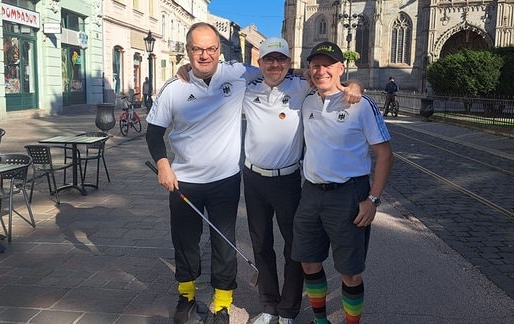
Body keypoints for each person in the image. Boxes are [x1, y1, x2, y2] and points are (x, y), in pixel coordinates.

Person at [145, 22, 262, 324]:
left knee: (224, 244)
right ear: (188, 51)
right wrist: (162, 164)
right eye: (198, 49)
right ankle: (186, 295)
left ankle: (222, 302)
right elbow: (154, 133)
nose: (205, 54)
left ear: (219, 50)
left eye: (211, 48)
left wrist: (349, 85)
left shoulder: (236, 75)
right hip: (184, 181)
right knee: (185, 242)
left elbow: (279, 71)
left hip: (224, 180)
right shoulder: (174, 88)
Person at [244, 38, 362, 324]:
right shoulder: (246, 89)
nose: (275, 65)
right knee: (261, 246)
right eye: (269, 59)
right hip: (253, 179)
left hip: (287, 181)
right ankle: (269, 305)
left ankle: (288, 309)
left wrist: (354, 85)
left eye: (281, 59)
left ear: (289, 63)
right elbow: (216, 76)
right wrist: (187, 68)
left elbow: (334, 83)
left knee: (294, 248)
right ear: (260, 63)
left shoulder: (301, 87)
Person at [291, 41, 394, 324]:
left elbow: (385, 154)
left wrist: (373, 199)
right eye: (315, 65)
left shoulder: (360, 104)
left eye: (327, 65)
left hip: (348, 195)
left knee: (350, 270)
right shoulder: (307, 100)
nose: (320, 70)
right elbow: (274, 71)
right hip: (311, 193)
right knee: (308, 261)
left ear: (340, 68)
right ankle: (321, 320)